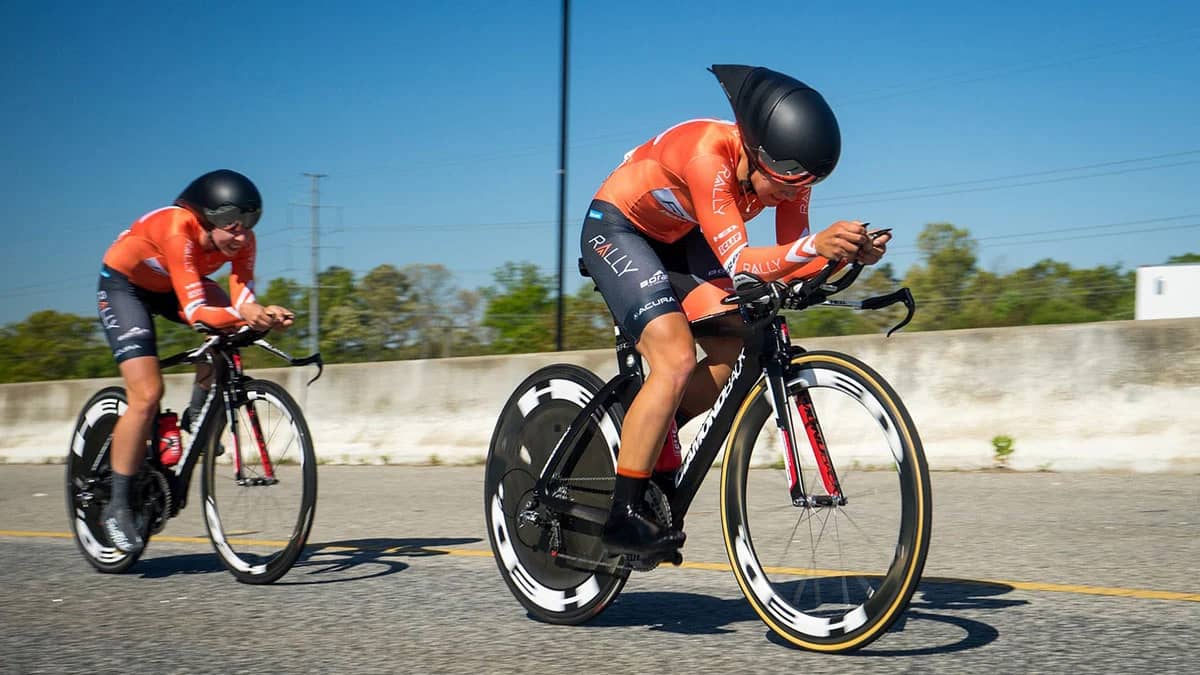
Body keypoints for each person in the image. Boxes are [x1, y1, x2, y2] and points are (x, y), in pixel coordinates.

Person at [580, 65, 892, 557]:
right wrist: (818, 243)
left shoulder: (788, 172)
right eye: (786, 182)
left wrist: (841, 253)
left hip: (684, 238)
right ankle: (622, 515)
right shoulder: (710, 159)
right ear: (755, 150)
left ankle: (652, 430)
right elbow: (744, 263)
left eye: (803, 184)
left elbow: (791, 261)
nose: (793, 192)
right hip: (620, 230)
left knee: (732, 348)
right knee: (676, 357)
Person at [96, 169, 296, 553]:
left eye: (251, 223)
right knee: (147, 393)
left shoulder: (242, 241)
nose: (243, 234)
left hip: (172, 284)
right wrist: (247, 315)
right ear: (206, 217)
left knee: (231, 336)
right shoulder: (178, 229)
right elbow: (196, 310)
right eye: (233, 225)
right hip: (126, 286)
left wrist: (260, 313)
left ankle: (198, 412)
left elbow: (242, 297)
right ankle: (117, 506)